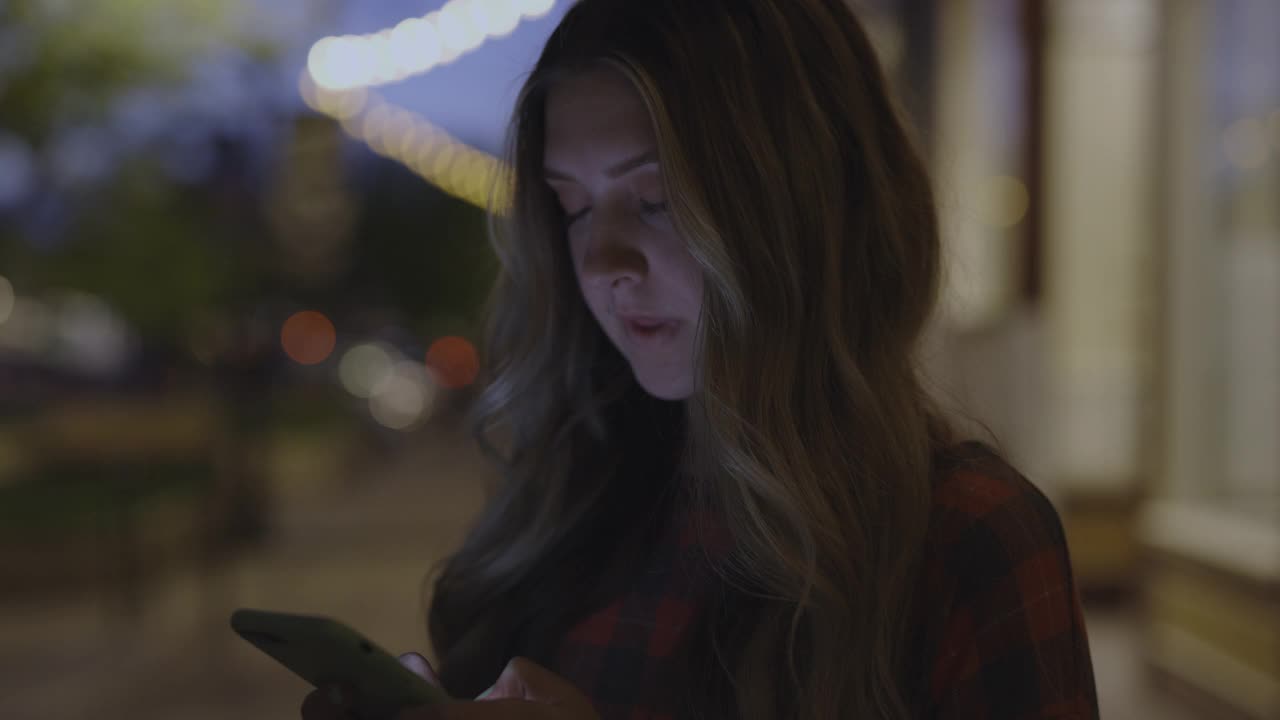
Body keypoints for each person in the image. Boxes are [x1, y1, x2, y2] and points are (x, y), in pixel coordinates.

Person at [303, 0, 1100, 717]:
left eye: (656, 200)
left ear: (801, 210)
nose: (606, 259)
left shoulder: (965, 544)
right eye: (573, 207)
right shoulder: (575, 502)